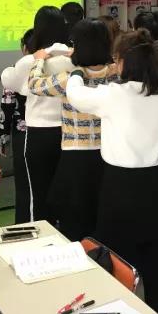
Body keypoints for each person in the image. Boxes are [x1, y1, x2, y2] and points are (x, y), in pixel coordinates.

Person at [66, 29, 158, 314]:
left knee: (117, 258)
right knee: (154, 261)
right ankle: (157, 309)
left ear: (125, 61)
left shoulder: (114, 95)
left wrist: (76, 73)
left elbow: (75, 95)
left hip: (120, 187)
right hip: (156, 185)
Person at [27, 18, 118, 241]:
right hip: (108, 157)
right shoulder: (116, 74)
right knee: (102, 222)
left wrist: (38, 60)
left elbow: (34, 85)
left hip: (75, 159)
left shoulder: (70, 79)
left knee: (74, 225)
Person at [0, 6, 71, 224]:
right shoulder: (73, 57)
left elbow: (9, 80)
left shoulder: (30, 60)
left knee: (35, 193)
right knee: (63, 191)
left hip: (38, 133)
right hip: (69, 132)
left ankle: (37, 237)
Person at [0, 29, 33, 223]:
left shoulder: (15, 71)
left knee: (23, 184)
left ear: (24, 48)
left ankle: (23, 224)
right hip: (51, 134)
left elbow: (7, 105)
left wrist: (3, 137)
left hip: (22, 134)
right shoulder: (53, 69)